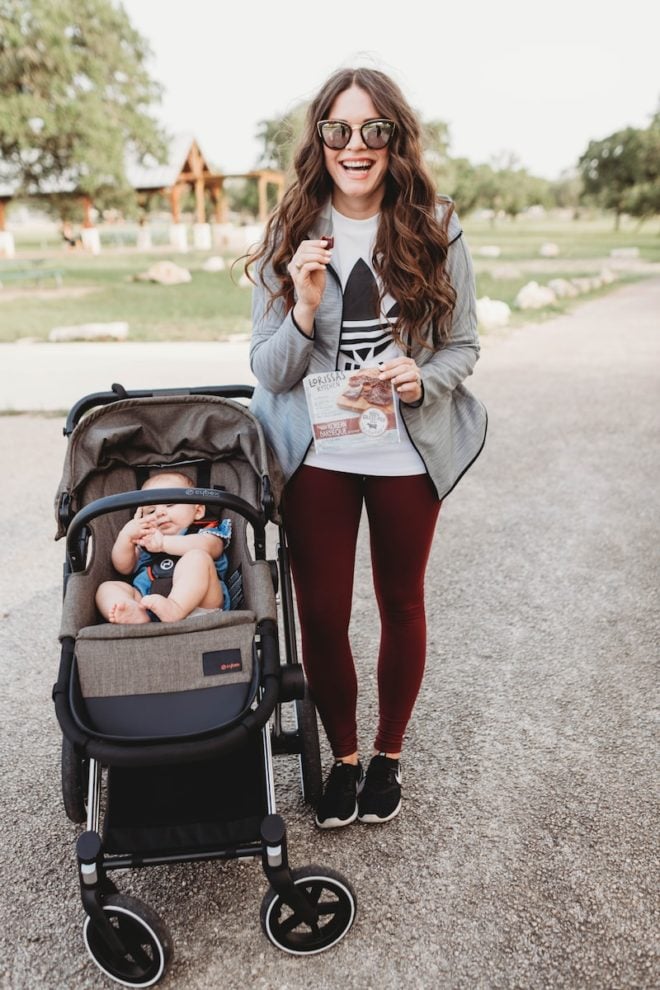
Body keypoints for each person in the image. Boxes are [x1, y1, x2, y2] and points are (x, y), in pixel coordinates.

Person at [246, 67, 487, 828]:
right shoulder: (288, 231)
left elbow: (465, 347)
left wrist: (421, 377)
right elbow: (269, 370)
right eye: (339, 131)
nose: (357, 146)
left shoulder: (436, 226)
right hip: (318, 454)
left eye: (373, 130)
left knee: (401, 602)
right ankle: (343, 758)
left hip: (402, 455)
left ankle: (389, 755)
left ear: (395, 140)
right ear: (320, 140)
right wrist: (303, 307)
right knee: (320, 614)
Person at [95, 471, 232, 624]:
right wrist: (126, 537)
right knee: (107, 588)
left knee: (197, 557)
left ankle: (175, 607)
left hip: (202, 605)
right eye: (151, 511)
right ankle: (136, 614)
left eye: (170, 504)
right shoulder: (146, 540)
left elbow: (210, 547)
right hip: (149, 603)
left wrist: (164, 544)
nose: (160, 512)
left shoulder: (205, 533)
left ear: (198, 511)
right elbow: (123, 568)